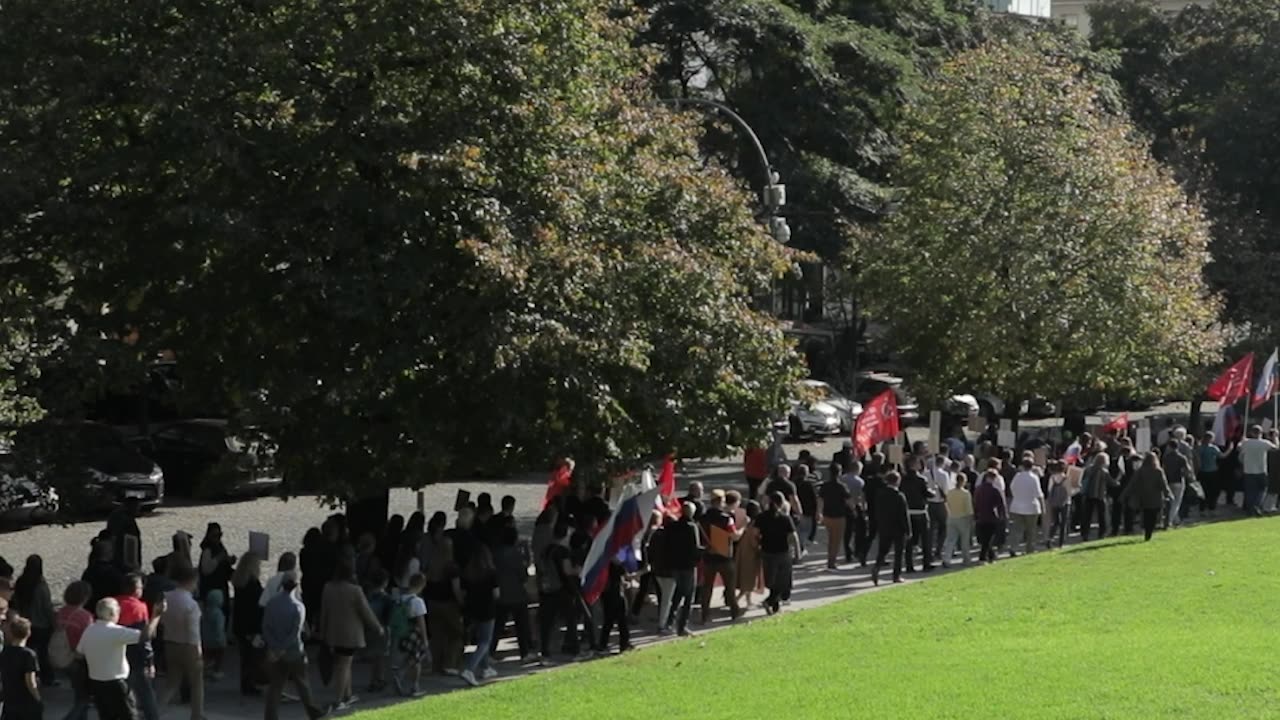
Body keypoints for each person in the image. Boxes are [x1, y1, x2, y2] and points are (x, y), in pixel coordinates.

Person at [80, 596, 161, 720]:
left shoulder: (89, 630)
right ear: (113, 613)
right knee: (129, 715)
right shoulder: (116, 632)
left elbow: (80, 652)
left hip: (96, 683)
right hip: (117, 683)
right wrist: (156, 616)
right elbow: (145, 636)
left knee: (106, 716)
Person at [261, 573, 328, 720]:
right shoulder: (298, 607)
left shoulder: (272, 603)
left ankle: (270, 716)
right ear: (296, 586)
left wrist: (275, 647)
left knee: (276, 686)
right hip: (294, 651)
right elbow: (295, 632)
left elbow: (266, 627)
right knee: (302, 683)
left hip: (275, 650)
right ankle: (313, 712)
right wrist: (284, 648)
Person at [318, 558, 383, 711]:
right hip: (350, 634)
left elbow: (324, 612)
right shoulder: (355, 591)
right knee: (344, 665)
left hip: (333, 633)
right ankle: (339, 699)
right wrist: (377, 627)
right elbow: (366, 612)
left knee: (342, 663)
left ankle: (347, 695)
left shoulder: (328, 588)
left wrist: (323, 632)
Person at [159, 566, 203, 720]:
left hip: (170, 642)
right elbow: (193, 631)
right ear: (191, 581)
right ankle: (196, 714)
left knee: (172, 682)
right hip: (188, 645)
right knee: (196, 683)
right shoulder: (191, 604)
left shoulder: (166, 597)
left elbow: (161, 620)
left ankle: (157, 711)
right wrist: (198, 650)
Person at [113, 574, 158, 720]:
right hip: (136, 655)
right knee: (145, 693)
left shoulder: (114, 603)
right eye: (140, 587)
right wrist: (149, 660)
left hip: (117, 653)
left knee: (124, 691)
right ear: (135, 590)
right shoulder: (139, 607)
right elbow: (144, 637)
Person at [459, 546, 499, 687]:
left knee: (481, 639)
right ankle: (469, 669)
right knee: (485, 641)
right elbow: (496, 594)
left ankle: (486, 667)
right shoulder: (491, 573)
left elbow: (463, 593)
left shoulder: (467, 573)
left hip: (472, 609)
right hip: (487, 609)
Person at [698, 490, 741, 621]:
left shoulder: (702, 518)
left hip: (708, 557)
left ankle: (704, 614)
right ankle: (734, 612)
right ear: (721, 501)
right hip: (725, 557)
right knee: (730, 587)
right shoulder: (726, 518)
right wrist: (743, 527)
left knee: (707, 588)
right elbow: (734, 536)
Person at [12, 555, 54, 687]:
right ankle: (47, 678)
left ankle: (24, 676)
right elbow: (47, 607)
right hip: (41, 625)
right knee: (43, 654)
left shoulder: (21, 582)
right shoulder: (40, 585)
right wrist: (53, 621)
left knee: (25, 652)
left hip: (25, 622)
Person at [491, 527, 531, 661]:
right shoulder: (516, 554)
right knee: (521, 625)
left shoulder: (495, 554)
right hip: (517, 593)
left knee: (497, 625)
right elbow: (523, 575)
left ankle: (490, 652)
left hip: (501, 594)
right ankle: (524, 652)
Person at [56, 581, 95, 720]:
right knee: (83, 698)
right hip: (79, 658)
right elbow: (89, 639)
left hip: (64, 656)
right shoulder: (85, 616)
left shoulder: (61, 612)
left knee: (80, 694)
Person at [425, 538, 464, 674]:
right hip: (448, 603)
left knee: (437, 636)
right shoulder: (451, 567)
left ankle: (436, 665)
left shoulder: (431, 565)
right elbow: (456, 589)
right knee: (455, 634)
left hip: (432, 603)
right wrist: (462, 603)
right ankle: (450, 663)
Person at [757, 492, 799, 614]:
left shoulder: (762, 517)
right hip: (782, 552)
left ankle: (775, 605)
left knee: (772, 580)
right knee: (784, 581)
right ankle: (770, 601)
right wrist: (797, 552)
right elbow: (792, 536)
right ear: (781, 503)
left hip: (767, 552)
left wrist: (757, 546)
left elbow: (755, 533)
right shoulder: (785, 518)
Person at [230, 553, 264, 696]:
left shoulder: (239, 582)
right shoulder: (252, 584)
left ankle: (246, 683)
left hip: (240, 624)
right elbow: (256, 607)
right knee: (251, 657)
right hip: (250, 626)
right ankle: (249, 684)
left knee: (245, 656)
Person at [666, 503, 702, 636]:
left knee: (677, 594)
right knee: (688, 597)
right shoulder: (692, 527)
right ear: (691, 513)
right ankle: (682, 626)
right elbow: (695, 548)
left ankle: (669, 621)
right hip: (688, 565)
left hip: (675, 564)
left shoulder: (673, 526)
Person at [390, 573, 427, 697]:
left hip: (401, 632)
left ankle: (399, 674)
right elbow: (421, 622)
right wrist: (425, 639)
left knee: (410, 657)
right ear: (421, 585)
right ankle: (414, 686)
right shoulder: (417, 601)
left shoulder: (400, 598)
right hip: (413, 634)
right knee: (417, 660)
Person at [1121, 452, 1173, 541]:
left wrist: (1124, 495)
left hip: (1143, 497)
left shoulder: (1140, 471)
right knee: (1153, 515)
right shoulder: (1158, 471)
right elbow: (1164, 484)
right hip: (1155, 497)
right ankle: (1149, 532)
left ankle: (1146, 530)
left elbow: (1132, 484)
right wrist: (1168, 494)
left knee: (1146, 514)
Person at [872, 472, 911, 585]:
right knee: (899, 553)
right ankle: (896, 575)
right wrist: (908, 530)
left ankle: (877, 567)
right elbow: (904, 515)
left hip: (885, 526)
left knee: (883, 550)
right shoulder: (899, 496)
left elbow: (877, 510)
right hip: (898, 528)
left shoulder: (880, 494)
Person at [2, 616, 42, 720]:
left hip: (9, 699)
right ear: (28, 633)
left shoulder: (4, 652)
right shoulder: (28, 655)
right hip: (25, 701)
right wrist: (38, 698)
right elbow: (30, 682)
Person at [816, 463, 852, 571]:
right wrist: (854, 508)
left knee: (831, 539)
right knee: (837, 540)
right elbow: (849, 501)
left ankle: (829, 558)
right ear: (839, 473)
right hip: (839, 515)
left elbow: (820, 500)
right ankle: (832, 561)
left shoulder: (824, 486)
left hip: (827, 515)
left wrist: (819, 512)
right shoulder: (842, 486)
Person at [899, 459, 933, 572]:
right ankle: (926, 563)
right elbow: (926, 493)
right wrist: (933, 491)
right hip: (920, 511)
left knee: (910, 540)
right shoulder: (921, 479)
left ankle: (909, 565)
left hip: (908, 511)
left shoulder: (903, 480)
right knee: (925, 539)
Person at [1008, 458, 1045, 556]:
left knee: (1017, 529)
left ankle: (1013, 547)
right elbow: (1038, 494)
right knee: (1031, 530)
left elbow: (1012, 488)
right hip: (1031, 507)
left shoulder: (1017, 476)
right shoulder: (1034, 478)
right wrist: (1042, 507)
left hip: (1017, 506)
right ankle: (1030, 549)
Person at [1238, 425, 1275, 516]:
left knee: (1250, 491)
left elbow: (1238, 448)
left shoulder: (1246, 443)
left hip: (1248, 471)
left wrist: (1241, 441)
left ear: (1251, 433)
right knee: (1262, 490)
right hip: (1261, 470)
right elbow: (1276, 447)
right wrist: (1276, 437)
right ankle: (1256, 505)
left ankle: (1250, 509)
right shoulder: (1264, 443)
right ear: (1261, 433)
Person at [925, 455, 953, 568]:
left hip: (930, 503)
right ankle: (938, 549)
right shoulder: (944, 475)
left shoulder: (926, 473)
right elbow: (947, 490)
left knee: (930, 529)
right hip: (940, 503)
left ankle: (929, 551)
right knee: (944, 527)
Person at [973, 470, 1008, 563]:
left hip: (980, 516)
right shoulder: (994, 490)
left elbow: (975, 503)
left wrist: (975, 514)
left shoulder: (978, 489)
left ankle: (991, 556)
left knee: (985, 538)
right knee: (988, 539)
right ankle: (983, 557)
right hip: (991, 517)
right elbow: (1000, 504)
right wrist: (1002, 515)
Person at [941, 474, 974, 567]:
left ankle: (946, 559)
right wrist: (971, 520)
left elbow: (947, 504)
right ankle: (966, 559)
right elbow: (969, 509)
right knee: (964, 540)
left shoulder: (950, 492)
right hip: (963, 518)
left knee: (950, 540)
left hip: (951, 517)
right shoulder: (966, 494)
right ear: (964, 481)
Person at [1080, 453, 1114, 541]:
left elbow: (1083, 479)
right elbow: (1111, 482)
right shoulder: (1104, 471)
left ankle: (1085, 533)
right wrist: (1118, 481)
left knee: (1087, 515)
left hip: (1088, 494)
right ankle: (1102, 533)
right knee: (1101, 516)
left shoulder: (1088, 469)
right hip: (1100, 495)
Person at [82, 542, 124, 612]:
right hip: (107, 608)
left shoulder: (89, 571)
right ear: (109, 553)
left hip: (90, 607)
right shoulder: (114, 573)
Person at [1161, 439, 1192, 528]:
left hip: (1168, 481)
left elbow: (1163, 469)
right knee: (1176, 501)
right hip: (1179, 480)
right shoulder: (1182, 458)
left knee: (1171, 501)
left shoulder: (1166, 457)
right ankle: (1170, 520)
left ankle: (1176, 519)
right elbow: (1187, 470)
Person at [199, 590, 227, 680]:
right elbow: (219, 628)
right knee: (219, 657)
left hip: (206, 639)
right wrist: (222, 638)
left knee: (207, 656)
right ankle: (216, 671)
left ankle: (204, 670)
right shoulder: (218, 613)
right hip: (217, 640)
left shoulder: (205, 612)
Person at [1045, 463, 1071, 548]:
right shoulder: (1066, 478)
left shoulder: (1052, 478)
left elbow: (1049, 489)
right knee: (1063, 522)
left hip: (1054, 502)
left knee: (1055, 522)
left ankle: (1050, 538)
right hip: (1065, 502)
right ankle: (1061, 542)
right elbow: (1069, 492)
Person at [1196, 432, 1222, 516]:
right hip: (1212, 472)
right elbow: (1222, 456)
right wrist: (1230, 448)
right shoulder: (1213, 448)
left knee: (1203, 491)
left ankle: (1202, 509)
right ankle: (1212, 508)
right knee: (1213, 491)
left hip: (1202, 472)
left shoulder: (1199, 448)